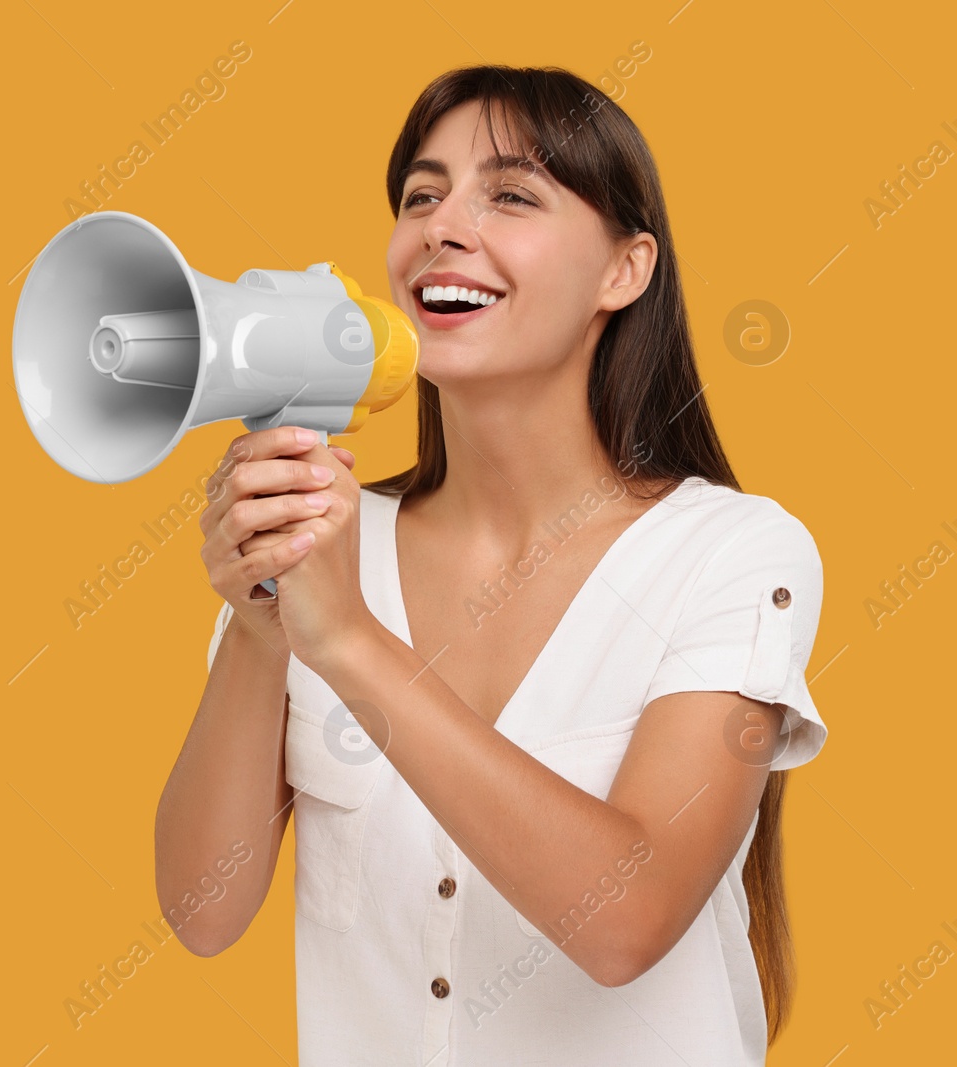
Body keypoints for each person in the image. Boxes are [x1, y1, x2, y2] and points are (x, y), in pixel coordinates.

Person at [154, 65, 828, 1066]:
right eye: (420, 195)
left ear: (623, 270)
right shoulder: (330, 545)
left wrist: (345, 640)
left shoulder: (733, 554)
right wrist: (259, 633)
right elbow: (201, 909)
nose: (441, 225)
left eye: (510, 195)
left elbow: (625, 920)